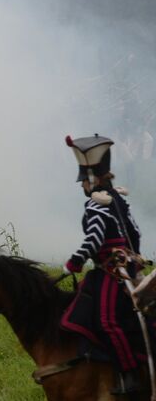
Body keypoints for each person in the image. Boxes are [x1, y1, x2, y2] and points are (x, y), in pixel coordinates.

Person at [61, 134, 145, 394]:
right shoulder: (118, 199)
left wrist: (74, 263)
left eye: (83, 182)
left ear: (90, 179)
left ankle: (130, 375)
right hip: (128, 267)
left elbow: (95, 238)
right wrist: (135, 259)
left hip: (113, 271)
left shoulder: (95, 204)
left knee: (107, 321)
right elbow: (135, 233)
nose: (82, 186)